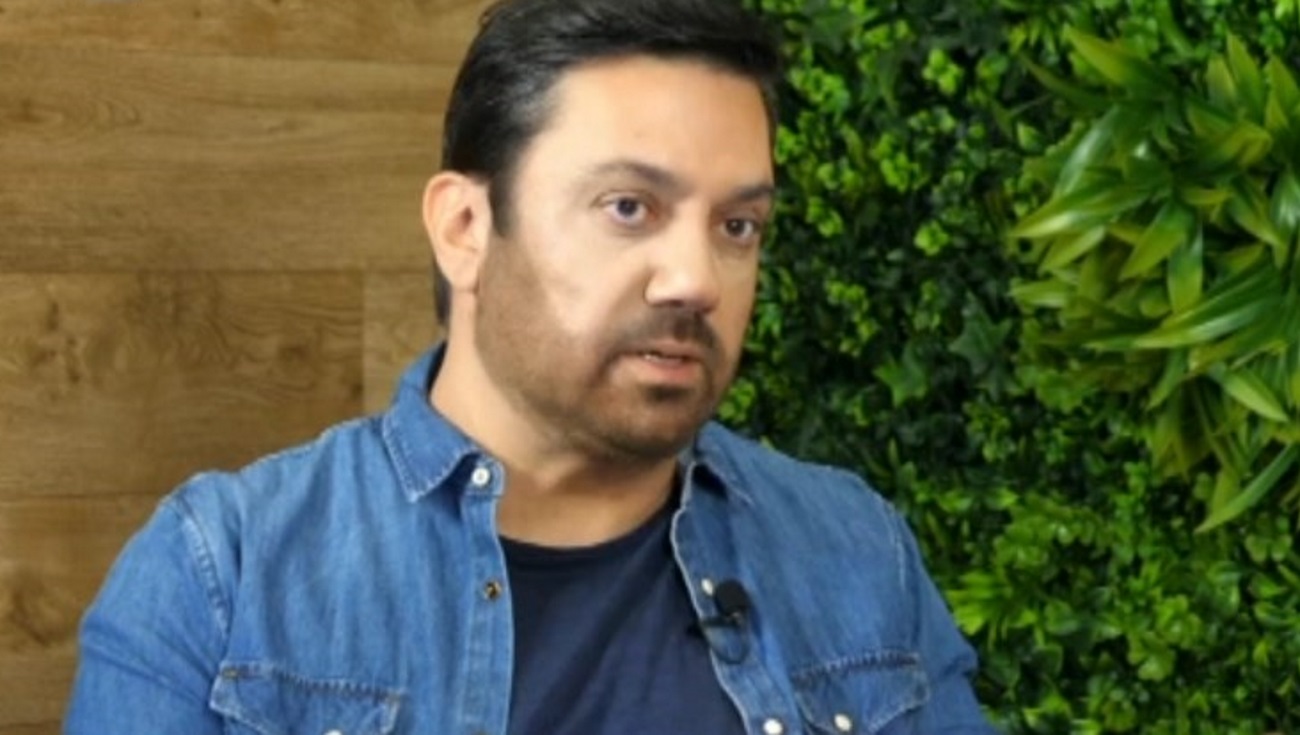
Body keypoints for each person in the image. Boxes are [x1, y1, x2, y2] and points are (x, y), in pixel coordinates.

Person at [65, 0, 998, 732]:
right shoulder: (220, 581)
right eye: (628, 207)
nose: (696, 278)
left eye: (738, 225)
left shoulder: (853, 553)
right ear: (465, 228)